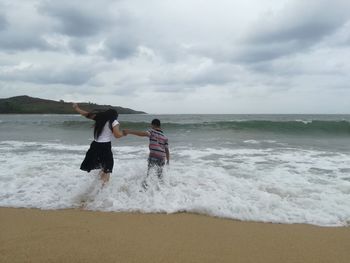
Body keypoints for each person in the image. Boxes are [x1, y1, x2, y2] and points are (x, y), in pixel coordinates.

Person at [72, 103, 124, 185]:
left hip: (95, 145)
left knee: (104, 167)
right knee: (108, 168)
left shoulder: (99, 119)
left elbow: (86, 114)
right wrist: (124, 133)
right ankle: (101, 191)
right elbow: (117, 135)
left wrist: (76, 108)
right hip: (105, 146)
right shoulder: (114, 121)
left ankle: (97, 186)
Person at [123, 119, 170, 189]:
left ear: (153, 125)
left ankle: (145, 189)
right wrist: (168, 160)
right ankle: (161, 189)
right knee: (159, 175)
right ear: (159, 125)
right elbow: (167, 150)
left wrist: (129, 131)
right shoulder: (165, 137)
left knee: (149, 174)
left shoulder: (152, 131)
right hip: (162, 158)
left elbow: (143, 134)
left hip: (154, 156)